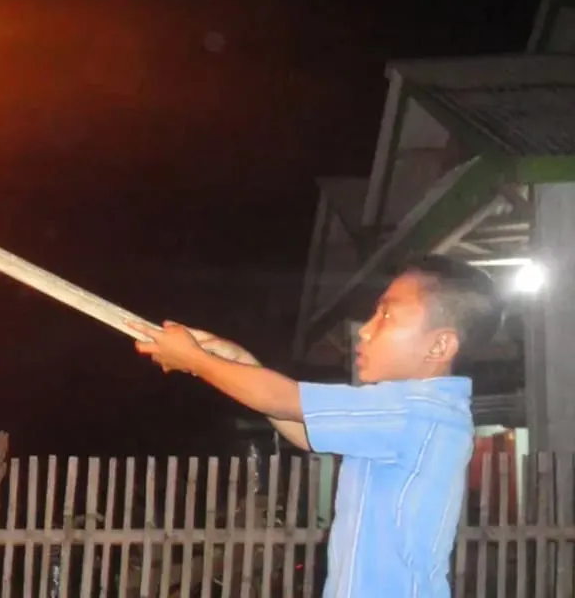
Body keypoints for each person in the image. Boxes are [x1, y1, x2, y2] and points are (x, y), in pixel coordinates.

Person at [128, 255, 504, 597]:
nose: (365, 330)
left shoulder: (420, 411)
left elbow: (283, 399)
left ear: (439, 347)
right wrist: (234, 358)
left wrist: (197, 361)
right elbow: (303, 429)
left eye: (387, 316)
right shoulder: (410, 415)